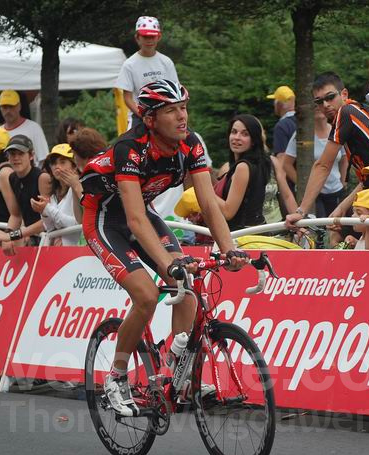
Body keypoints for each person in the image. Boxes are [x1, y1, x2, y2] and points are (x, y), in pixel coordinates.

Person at [80, 79, 247, 416]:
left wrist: (230, 247)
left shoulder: (191, 144)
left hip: (143, 212)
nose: (182, 116)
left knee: (186, 286)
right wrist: (167, 264)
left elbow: (210, 205)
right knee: (145, 295)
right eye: (172, 110)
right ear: (151, 119)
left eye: (184, 107)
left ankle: (174, 372)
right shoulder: (131, 147)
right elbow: (135, 220)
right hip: (106, 219)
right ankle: (116, 376)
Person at [285, 72, 369, 230]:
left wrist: (301, 211)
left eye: (330, 97)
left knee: (340, 237)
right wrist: (342, 207)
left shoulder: (345, 114)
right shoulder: (358, 111)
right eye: (319, 101)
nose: (325, 105)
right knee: (340, 233)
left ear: (344, 94)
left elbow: (323, 165)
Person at [283, 93, 347, 218]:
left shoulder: (338, 130)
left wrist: (343, 181)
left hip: (336, 191)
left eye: (322, 105)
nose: (319, 108)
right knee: (319, 231)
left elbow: (344, 158)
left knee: (338, 229)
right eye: (316, 104)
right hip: (315, 195)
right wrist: (303, 185)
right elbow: (286, 164)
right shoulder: (301, 135)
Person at [115, 16, 179, 131]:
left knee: (185, 140)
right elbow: (127, 97)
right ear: (137, 38)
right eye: (145, 37)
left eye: (152, 36)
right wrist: (144, 115)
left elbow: (175, 92)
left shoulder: (166, 62)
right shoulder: (129, 64)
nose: (149, 40)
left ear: (158, 37)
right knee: (129, 145)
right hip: (139, 116)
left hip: (165, 114)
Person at [0, 135, 50, 254]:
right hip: (31, 240)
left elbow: (48, 220)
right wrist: (7, 235)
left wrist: (12, 236)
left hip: (50, 239)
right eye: (12, 154)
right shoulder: (12, 178)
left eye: (21, 154)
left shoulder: (42, 177)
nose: (16, 158)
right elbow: (15, 215)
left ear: (31, 156)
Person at [213, 114, 270, 231]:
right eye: (234, 132)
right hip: (255, 233)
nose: (237, 137)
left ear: (254, 140)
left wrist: (203, 192)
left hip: (242, 237)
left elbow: (228, 212)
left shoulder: (243, 167)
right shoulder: (261, 162)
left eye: (245, 134)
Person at [32, 144, 81, 245]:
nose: (57, 166)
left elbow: (77, 224)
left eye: (62, 162)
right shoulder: (54, 193)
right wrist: (44, 212)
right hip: (59, 253)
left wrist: (48, 209)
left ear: (74, 165)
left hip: (77, 253)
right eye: (54, 163)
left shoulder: (79, 187)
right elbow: (50, 227)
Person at [0, 90, 49, 165]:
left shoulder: (34, 128)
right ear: (0, 109)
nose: (8, 111)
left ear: (19, 106)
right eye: (5, 107)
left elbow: (44, 158)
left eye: (11, 106)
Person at [267, 85, 297, 160]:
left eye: (275, 100)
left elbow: (281, 158)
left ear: (279, 104)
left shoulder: (282, 126)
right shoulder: (305, 122)